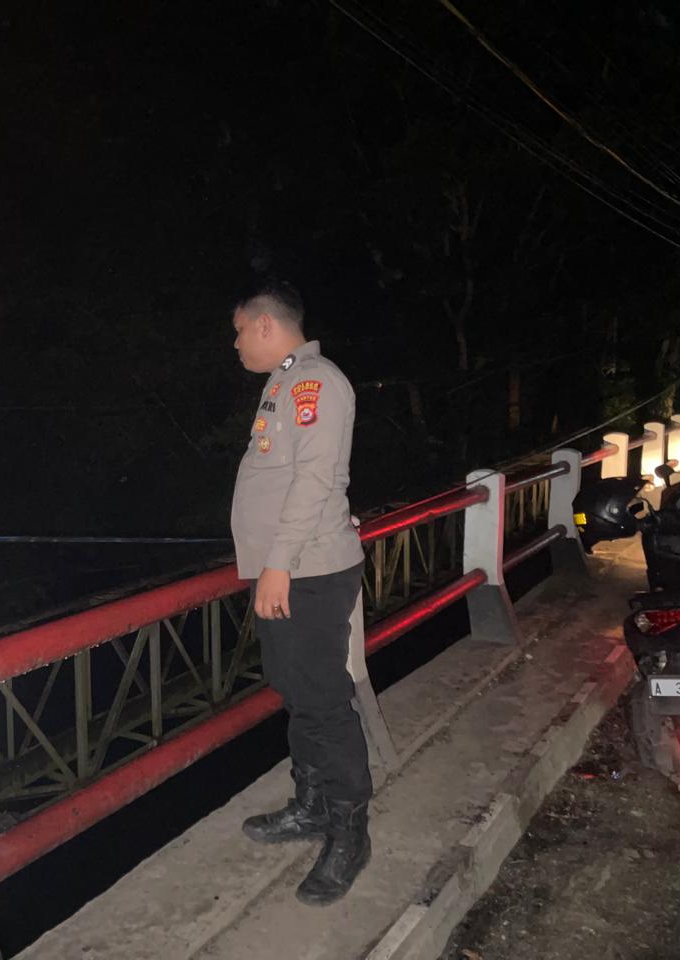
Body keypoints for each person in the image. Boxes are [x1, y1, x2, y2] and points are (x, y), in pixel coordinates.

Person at [229, 279, 370, 906]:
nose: (236, 343)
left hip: (305, 572)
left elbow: (316, 479)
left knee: (323, 701)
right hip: (288, 571)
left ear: (265, 324)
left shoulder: (316, 383)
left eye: (239, 330)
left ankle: (350, 834)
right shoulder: (284, 384)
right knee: (298, 693)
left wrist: (279, 563)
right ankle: (311, 806)